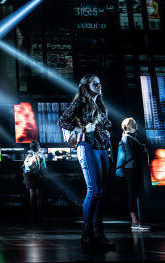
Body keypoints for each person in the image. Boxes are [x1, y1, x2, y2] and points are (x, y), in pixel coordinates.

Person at [57, 74, 115, 250]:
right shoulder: (80, 102)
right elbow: (62, 121)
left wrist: (105, 134)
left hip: (102, 149)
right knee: (93, 191)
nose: (99, 85)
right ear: (86, 86)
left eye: (100, 82)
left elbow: (101, 126)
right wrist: (81, 128)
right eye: (94, 83)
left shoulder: (99, 104)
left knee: (100, 192)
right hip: (87, 147)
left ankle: (99, 235)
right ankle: (87, 235)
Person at [116, 118, 151, 230]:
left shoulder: (130, 138)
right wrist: (142, 150)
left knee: (135, 194)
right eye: (133, 123)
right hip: (131, 168)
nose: (136, 124)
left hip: (135, 168)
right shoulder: (126, 138)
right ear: (127, 126)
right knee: (132, 194)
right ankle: (135, 222)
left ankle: (137, 221)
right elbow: (130, 154)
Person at [23, 141, 46, 224]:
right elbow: (44, 168)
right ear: (38, 147)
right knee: (39, 196)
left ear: (31, 147)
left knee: (32, 196)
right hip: (39, 176)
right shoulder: (41, 156)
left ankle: (32, 216)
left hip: (30, 176)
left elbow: (26, 168)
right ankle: (39, 216)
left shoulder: (28, 157)